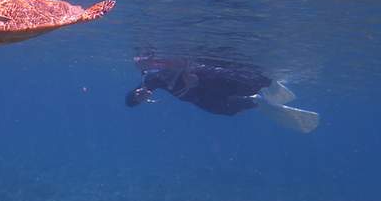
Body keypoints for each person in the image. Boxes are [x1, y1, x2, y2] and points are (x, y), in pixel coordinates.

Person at [125, 56, 319, 133]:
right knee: (224, 108)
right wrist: (138, 93)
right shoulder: (150, 82)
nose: (142, 96)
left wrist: (187, 73)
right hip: (198, 95)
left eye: (138, 96)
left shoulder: (150, 74)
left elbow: (180, 62)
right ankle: (255, 101)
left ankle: (262, 86)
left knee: (231, 84)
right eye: (140, 99)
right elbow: (140, 90)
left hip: (201, 85)